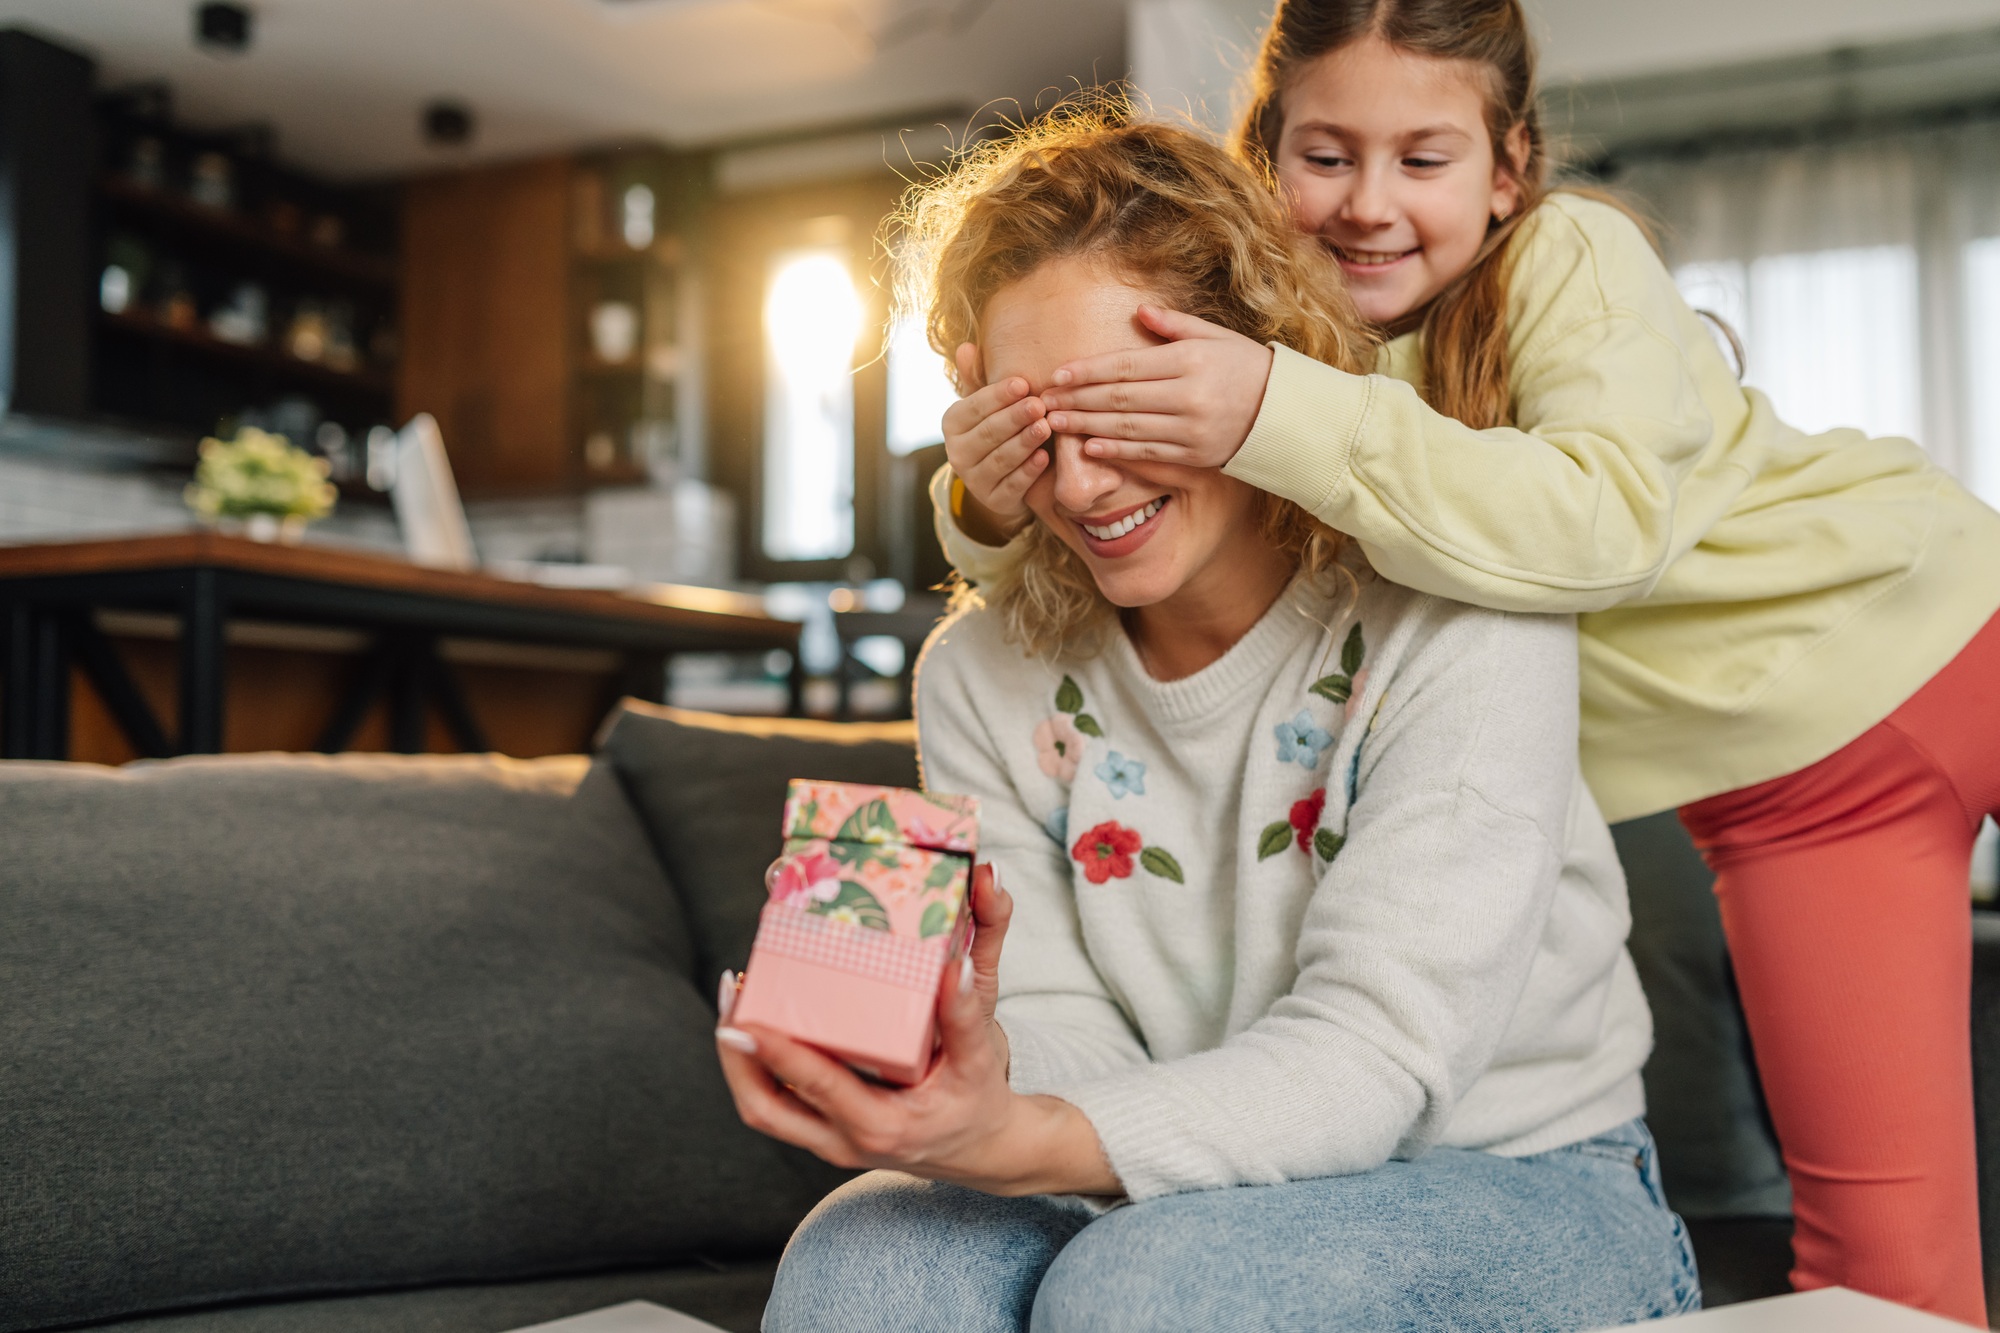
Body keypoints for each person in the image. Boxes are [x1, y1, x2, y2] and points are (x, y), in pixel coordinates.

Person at [931, 4, 2000, 1323]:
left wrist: (1270, 406)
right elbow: (1106, 523)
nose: (1372, 203)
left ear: (1509, 169)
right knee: (1886, 1278)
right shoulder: (1294, 353)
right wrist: (990, 502)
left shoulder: (1565, 259)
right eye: (1326, 156)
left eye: (1423, 159)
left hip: (1916, 629)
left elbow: (1597, 527)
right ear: (1264, 157)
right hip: (1766, 763)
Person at [713, 113, 1698, 1333]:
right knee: (863, 1257)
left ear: (1255, 366)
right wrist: (973, 1079)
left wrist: (1021, 1139)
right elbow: (1070, 1025)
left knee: (1157, 1289)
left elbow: (1374, 1062)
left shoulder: (1461, 619)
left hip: (1520, 1176)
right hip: (1183, 1173)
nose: (1081, 485)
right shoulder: (979, 671)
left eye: (1125, 408)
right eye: (1038, 428)